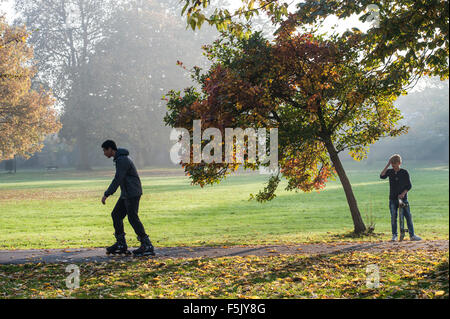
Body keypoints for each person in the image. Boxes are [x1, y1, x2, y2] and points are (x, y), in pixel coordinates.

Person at [101, 140, 155, 256]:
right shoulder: (120, 159)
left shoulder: (122, 160)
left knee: (132, 218)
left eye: (105, 150)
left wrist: (107, 194)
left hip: (132, 193)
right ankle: (121, 244)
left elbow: (118, 178)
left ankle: (147, 245)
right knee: (116, 214)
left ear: (111, 149)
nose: (104, 153)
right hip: (126, 193)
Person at [380, 154, 421, 242]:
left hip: (403, 199)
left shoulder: (404, 172)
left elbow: (409, 186)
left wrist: (403, 194)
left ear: (399, 163)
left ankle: (412, 235)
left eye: (395, 165)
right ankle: (394, 235)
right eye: (392, 165)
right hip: (392, 199)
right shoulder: (390, 171)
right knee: (393, 217)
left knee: (408, 216)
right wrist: (387, 164)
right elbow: (381, 176)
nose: (394, 167)